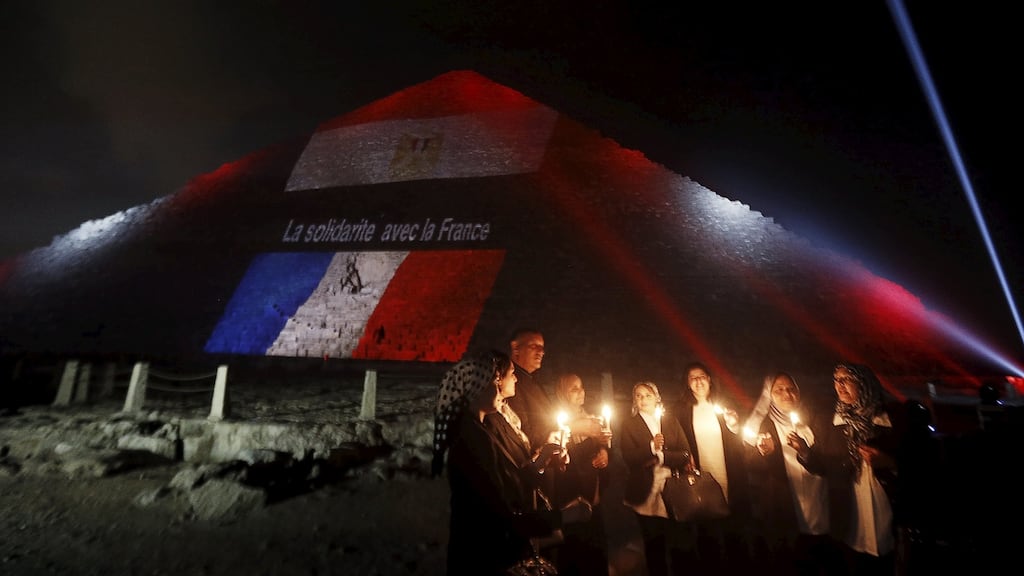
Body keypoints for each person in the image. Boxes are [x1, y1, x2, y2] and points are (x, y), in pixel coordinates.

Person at [434, 350, 592, 576]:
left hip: (496, 553)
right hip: (483, 559)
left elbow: (513, 480)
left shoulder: (482, 429)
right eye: (508, 375)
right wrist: (564, 516)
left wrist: (544, 456)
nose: (514, 380)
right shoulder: (470, 440)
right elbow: (499, 515)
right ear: (487, 383)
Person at [789, 362, 898, 576]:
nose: (839, 385)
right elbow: (822, 466)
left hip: (887, 511)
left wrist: (889, 463)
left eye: (846, 379)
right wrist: (804, 451)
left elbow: (917, 462)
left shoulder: (889, 421)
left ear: (863, 383)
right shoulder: (832, 423)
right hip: (850, 513)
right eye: (836, 380)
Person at [745, 372, 837, 576]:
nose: (786, 394)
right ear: (770, 395)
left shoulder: (815, 418)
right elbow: (750, 462)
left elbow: (828, 462)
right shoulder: (763, 424)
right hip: (786, 503)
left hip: (820, 501)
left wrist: (804, 451)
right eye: (778, 390)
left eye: (790, 388)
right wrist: (765, 453)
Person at [672, 361, 753, 575]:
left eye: (702, 376)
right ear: (687, 384)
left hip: (728, 475)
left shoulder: (724, 406)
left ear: (709, 379)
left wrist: (734, 425)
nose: (698, 381)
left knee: (733, 531)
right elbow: (677, 442)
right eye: (693, 378)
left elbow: (739, 442)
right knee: (707, 534)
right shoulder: (681, 411)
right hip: (702, 480)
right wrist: (684, 457)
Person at [621, 381, 693, 576]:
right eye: (638, 395)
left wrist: (662, 456)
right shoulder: (629, 424)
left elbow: (685, 452)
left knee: (678, 540)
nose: (643, 399)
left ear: (656, 397)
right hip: (646, 491)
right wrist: (651, 447)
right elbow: (628, 457)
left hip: (673, 487)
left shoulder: (670, 421)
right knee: (654, 544)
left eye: (648, 395)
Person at [551, 372, 612, 576]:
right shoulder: (558, 422)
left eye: (582, 387)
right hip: (571, 497)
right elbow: (561, 455)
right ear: (561, 393)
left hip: (592, 494)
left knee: (596, 551)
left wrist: (604, 451)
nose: (581, 392)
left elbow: (601, 447)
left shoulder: (591, 417)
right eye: (574, 388)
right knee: (574, 553)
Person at [505, 328, 558, 451]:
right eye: (534, 346)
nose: (541, 352)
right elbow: (522, 431)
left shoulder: (532, 381)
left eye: (542, 347)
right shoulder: (512, 385)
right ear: (515, 348)